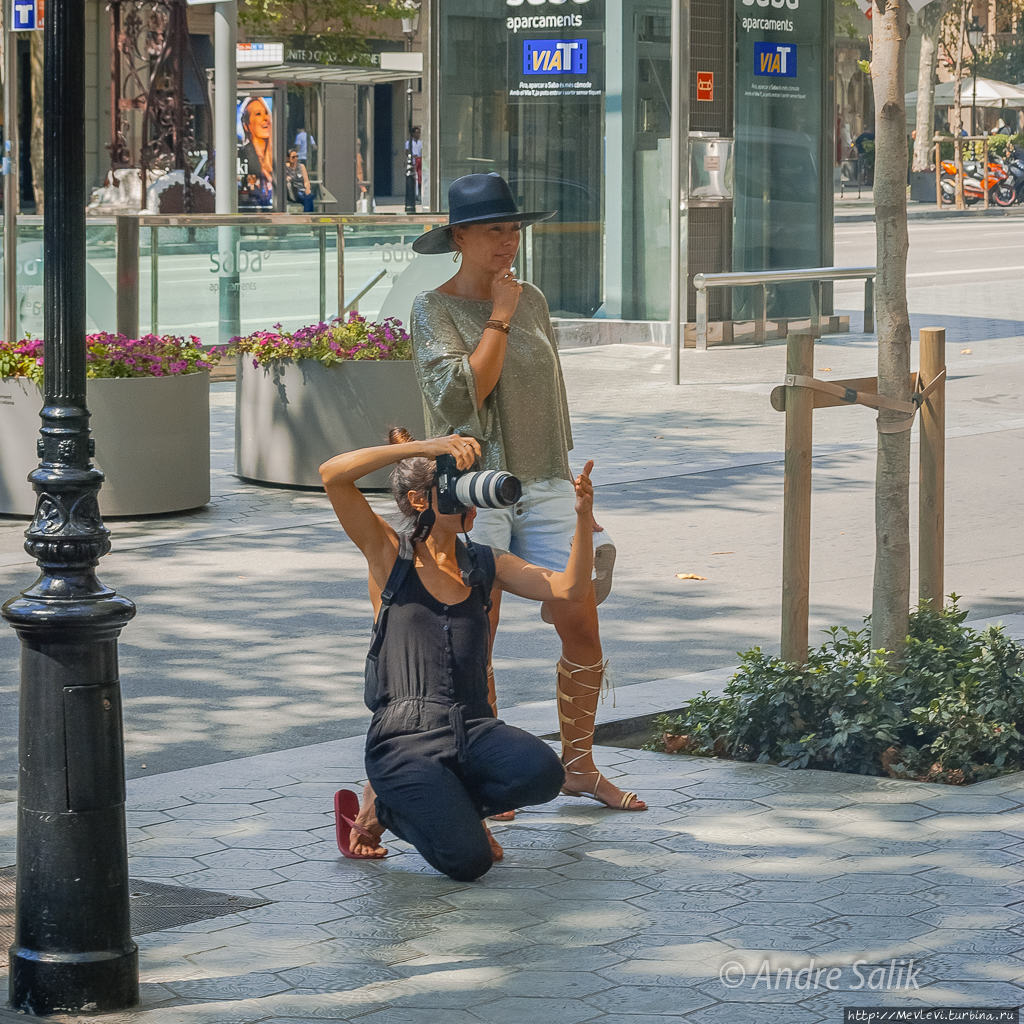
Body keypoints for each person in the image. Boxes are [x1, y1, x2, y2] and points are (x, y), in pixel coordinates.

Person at [408, 173, 646, 813]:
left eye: (513, 229)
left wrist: (576, 504)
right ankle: (488, 775)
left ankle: (578, 767)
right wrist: (500, 317)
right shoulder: (433, 309)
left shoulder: (531, 298)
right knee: (475, 636)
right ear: (459, 237)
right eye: (494, 230)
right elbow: (462, 397)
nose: (508, 242)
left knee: (581, 620)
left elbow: (551, 398)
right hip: (472, 490)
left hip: (542, 483)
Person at [319, 431, 598, 881]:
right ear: (419, 499)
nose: (471, 499)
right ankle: (389, 807)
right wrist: (422, 449)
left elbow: (570, 588)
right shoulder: (390, 553)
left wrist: (581, 518)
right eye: (457, 485)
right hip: (404, 740)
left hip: (473, 726)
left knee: (543, 773)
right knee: (471, 864)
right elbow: (332, 475)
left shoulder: (485, 563)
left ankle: (434, 810)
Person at [238, 97, 273, 208]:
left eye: (266, 113)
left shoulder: (277, 153)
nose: (265, 118)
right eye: (258, 114)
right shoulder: (241, 155)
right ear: (246, 125)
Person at [285, 147, 314, 212]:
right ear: (288, 158)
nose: (295, 159)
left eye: (296, 156)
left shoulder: (301, 167)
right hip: (293, 191)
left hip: (302, 190)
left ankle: (307, 215)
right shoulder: (286, 168)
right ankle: (308, 216)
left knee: (309, 197)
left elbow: (306, 180)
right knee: (307, 199)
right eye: (293, 157)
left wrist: (308, 189)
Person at [405, 126, 423, 200]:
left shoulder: (420, 143)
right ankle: (415, 194)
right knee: (414, 178)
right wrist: (412, 156)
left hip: (420, 161)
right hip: (413, 162)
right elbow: (407, 152)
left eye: (419, 133)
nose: (418, 134)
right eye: (416, 133)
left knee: (420, 177)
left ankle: (420, 193)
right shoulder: (409, 142)